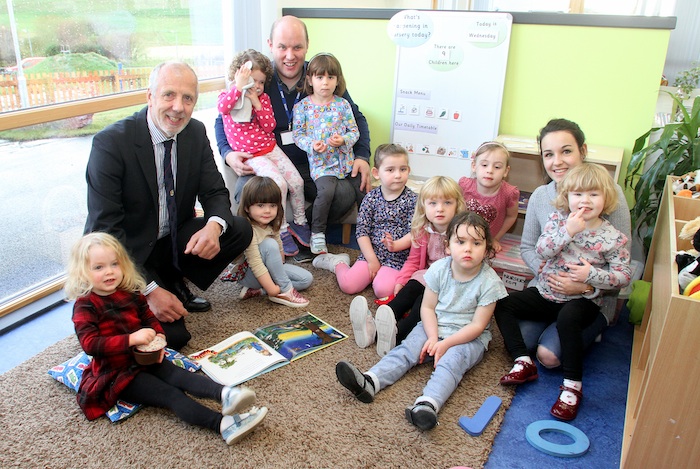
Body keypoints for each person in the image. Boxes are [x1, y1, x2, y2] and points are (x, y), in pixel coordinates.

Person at [84, 61, 253, 350]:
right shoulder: (110, 144)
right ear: (150, 96)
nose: (178, 107)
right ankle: (157, 284)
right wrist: (149, 290)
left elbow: (215, 192)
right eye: (169, 95)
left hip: (169, 240)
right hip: (125, 253)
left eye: (188, 98)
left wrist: (213, 227)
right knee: (173, 339)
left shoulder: (195, 132)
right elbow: (106, 231)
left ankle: (174, 280)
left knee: (237, 228)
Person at [65, 232, 267, 444]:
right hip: (118, 373)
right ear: (82, 272)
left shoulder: (130, 291)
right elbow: (90, 344)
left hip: (144, 358)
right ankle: (222, 425)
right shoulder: (85, 305)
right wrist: (132, 339)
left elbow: (148, 316)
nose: (109, 272)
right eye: (99, 267)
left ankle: (226, 394)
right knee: (171, 395)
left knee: (180, 376)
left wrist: (159, 336)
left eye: (114, 264)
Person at [215, 15, 371, 259]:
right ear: (270, 45)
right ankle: (267, 241)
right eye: (282, 47)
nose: (290, 55)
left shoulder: (321, 74)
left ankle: (298, 230)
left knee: (344, 193)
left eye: (297, 47)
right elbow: (222, 118)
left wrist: (362, 154)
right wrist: (228, 153)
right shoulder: (260, 77)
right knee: (246, 189)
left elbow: (356, 116)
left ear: (307, 45)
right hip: (267, 160)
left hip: (316, 165)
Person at [335, 211, 508, 431]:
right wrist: (434, 336)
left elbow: (478, 326)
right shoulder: (438, 269)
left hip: (467, 337)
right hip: (433, 325)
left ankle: (428, 405)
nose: (468, 249)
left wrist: (444, 344)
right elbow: (427, 307)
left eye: (476, 243)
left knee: (450, 364)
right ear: (447, 246)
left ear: (487, 249)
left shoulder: (490, 282)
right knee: (406, 349)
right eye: (461, 241)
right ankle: (370, 381)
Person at [496, 163, 632, 420]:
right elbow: (542, 251)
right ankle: (523, 361)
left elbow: (623, 276)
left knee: (568, 319)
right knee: (504, 303)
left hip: (583, 299)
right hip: (547, 293)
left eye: (594, 194)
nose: (585, 201)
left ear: (607, 198)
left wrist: (590, 275)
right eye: (578, 194)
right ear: (567, 197)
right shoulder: (558, 221)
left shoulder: (613, 238)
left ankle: (572, 386)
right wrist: (568, 231)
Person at [512, 118, 632, 369]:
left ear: (583, 151)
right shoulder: (541, 196)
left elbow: (625, 264)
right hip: (548, 290)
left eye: (566, 151)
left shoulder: (609, 192)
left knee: (549, 357)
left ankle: (580, 334)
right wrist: (550, 276)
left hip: (589, 299)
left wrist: (586, 287)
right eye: (548, 154)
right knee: (520, 341)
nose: (557, 161)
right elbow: (527, 247)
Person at [346, 176, 466, 357]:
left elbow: (465, 265)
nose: (440, 209)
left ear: (457, 205)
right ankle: (376, 328)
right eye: (433, 203)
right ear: (424, 206)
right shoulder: (422, 230)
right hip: (427, 274)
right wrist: (401, 281)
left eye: (447, 203)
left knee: (422, 304)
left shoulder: (461, 232)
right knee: (408, 292)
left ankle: (397, 334)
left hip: (450, 281)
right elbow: (413, 261)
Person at [217, 49, 310, 257]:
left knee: (296, 181)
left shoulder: (264, 98)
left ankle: (300, 222)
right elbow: (223, 108)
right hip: (253, 155)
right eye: (252, 81)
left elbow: (269, 126)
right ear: (239, 77)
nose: (257, 87)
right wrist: (239, 87)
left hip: (271, 148)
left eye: (261, 82)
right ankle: (282, 229)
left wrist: (258, 104)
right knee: (279, 185)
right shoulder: (228, 97)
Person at [312, 144, 416, 300]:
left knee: (383, 291)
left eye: (403, 169)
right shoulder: (371, 198)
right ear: (376, 173)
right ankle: (338, 263)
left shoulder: (413, 200)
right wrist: (372, 260)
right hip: (372, 253)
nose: (397, 175)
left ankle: (381, 275)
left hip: (398, 256)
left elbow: (414, 233)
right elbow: (362, 232)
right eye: (390, 170)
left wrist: (395, 245)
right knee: (348, 285)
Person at [292, 52, 365, 254]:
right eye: (320, 77)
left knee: (362, 191)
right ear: (310, 80)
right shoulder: (302, 107)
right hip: (321, 166)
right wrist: (312, 145)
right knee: (326, 193)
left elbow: (354, 131)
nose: (325, 83)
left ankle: (371, 232)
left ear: (337, 80)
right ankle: (317, 234)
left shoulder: (343, 105)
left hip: (346, 163)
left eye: (330, 77)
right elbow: (298, 135)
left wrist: (343, 140)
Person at [235, 176, 313, 307]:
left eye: (272, 205)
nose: (267, 211)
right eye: (260, 205)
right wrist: (273, 288)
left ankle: (260, 290)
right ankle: (287, 291)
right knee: (269, 245)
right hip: (250, 273)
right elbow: (255, 263)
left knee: (306, 279)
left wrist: (278, 264)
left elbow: (279, 244)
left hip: (267, 268)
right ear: (247, 208)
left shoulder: (272, 222)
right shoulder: (248, 229)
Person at [458, 141, 520, 252]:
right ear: (474, 166)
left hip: (487, 242)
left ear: (506, 171)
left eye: (497, 167)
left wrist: (495, 238)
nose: (490, 171)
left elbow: (511, 216)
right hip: (463, 238)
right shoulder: (464, 186)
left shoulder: (509, 193)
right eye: (484, 165)